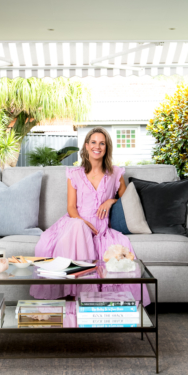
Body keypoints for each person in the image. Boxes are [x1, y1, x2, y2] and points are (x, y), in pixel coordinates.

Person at [30, 127, 151, 306]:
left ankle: (86, 299)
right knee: (77, 228)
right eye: (93, 142)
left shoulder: (115, 173)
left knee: (116, 254)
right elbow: (71, 207)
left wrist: (111, 200)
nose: (97, 146)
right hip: (76, 222)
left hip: (101, 229)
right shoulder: (74, 174)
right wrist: (83, 223)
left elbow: (126, 200)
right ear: (86, 146)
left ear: (107, 147)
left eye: (102, 143)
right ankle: (74, 296)